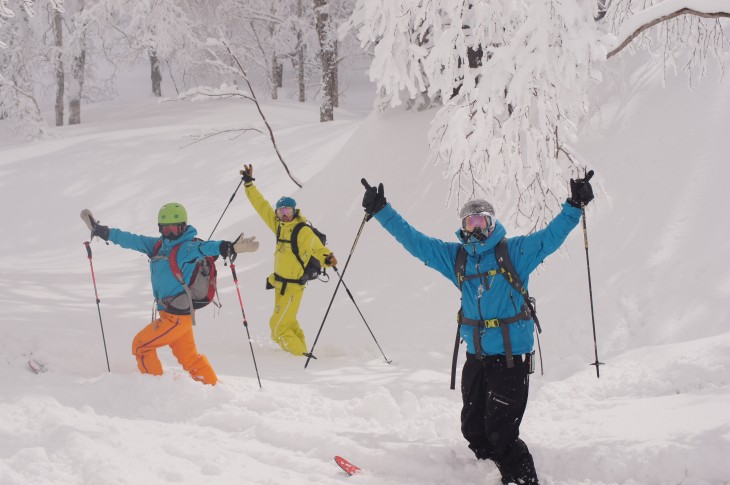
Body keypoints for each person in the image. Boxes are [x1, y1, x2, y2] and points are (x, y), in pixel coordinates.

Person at [360, 172, 595, 485]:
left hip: (511, 357)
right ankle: (485, 472)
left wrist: (574, 205)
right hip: (477, 356)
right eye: (468, 223)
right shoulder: (457, 259)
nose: (474, 229)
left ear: (492, 224)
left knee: (502, 432)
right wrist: (382, 211)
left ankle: (522, 479)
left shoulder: (514, 253)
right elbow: (416, 242)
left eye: (480, 222)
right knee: (473, 428)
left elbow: (550, 237)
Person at [80, 202, 259, 385]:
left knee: (141, 346)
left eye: (174, 227)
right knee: (190, 359)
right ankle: (213, 389)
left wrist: (230, 247)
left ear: (183, 226)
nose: (170, 232)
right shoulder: (157, 246)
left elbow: (206, 248)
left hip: (177, 318)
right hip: (177, 315)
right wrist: (101, 230)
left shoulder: (186, 248)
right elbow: (131, 239)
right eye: (165, 228)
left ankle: (156, 388)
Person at [240, 164, 338, 356]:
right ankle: (302, 354)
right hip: (280, 285)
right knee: (289, 323)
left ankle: (300, 358)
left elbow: (317, 247)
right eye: (281, 211)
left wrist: (327, 258)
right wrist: (249, 185)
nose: (284, 215)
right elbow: (261, 206)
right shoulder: (278, 227)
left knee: (278, 328)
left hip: (294, 288)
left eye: (288, 211)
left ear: (295, 212)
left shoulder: (303, 230)